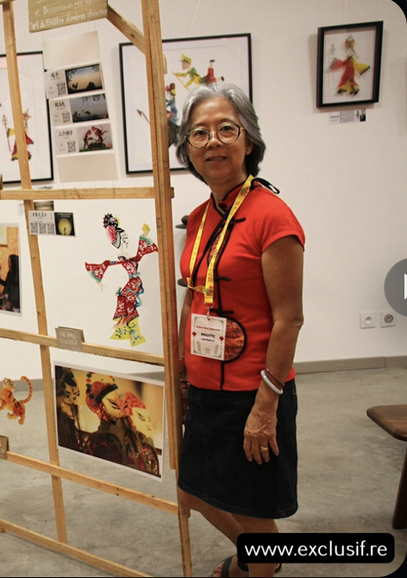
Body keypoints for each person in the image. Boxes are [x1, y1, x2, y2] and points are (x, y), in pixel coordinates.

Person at [174, 83, 304, 578]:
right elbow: (196, 294)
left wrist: (266, 407)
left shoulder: (273, 217)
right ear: (188, 149)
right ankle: (257, 558)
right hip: (205, 385)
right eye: (199, 133)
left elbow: (289, 318)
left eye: (226, 129)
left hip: (255, 390)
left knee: (252, 510)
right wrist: (185, 374)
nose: (213, 142)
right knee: (191, 492)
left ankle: (259, 567)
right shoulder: (199, 217)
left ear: (248, 141)